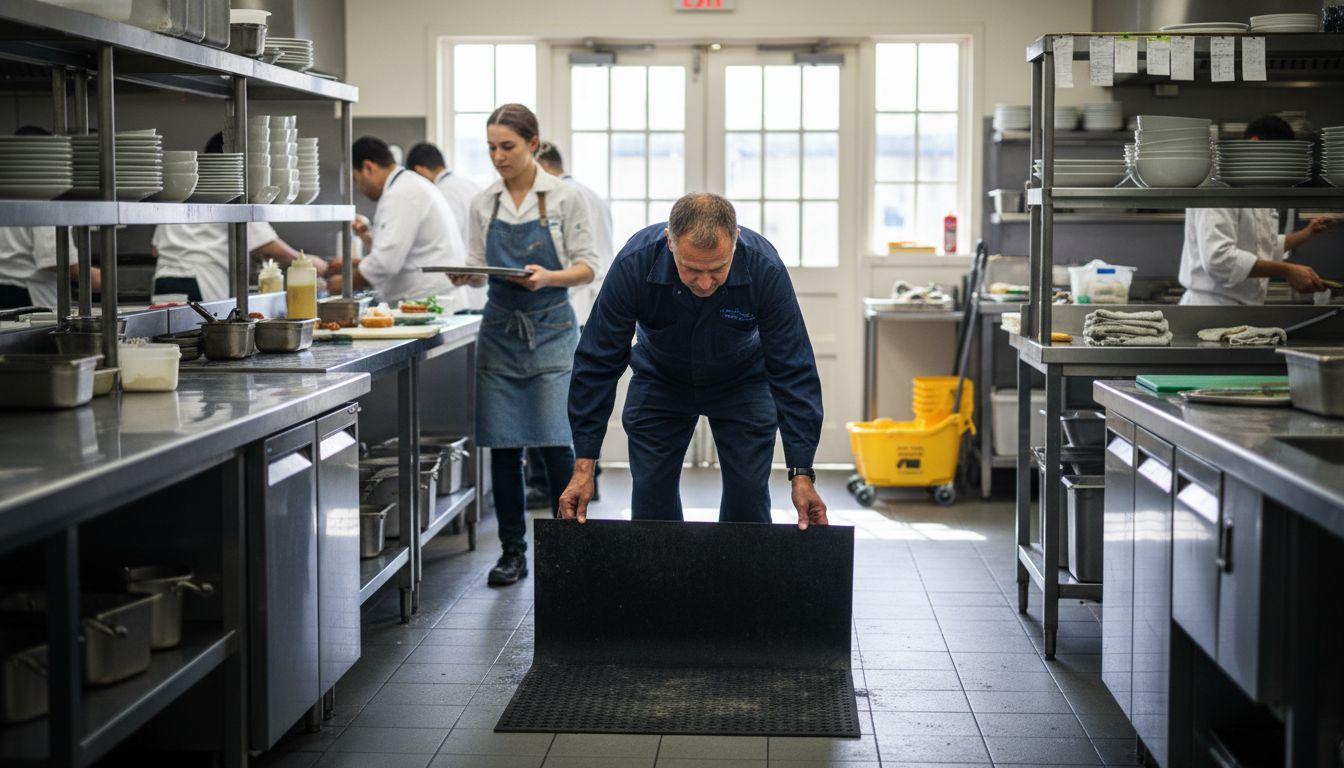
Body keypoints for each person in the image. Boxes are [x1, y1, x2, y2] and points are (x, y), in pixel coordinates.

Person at [558, 192, 829, 531]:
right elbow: (598, 361)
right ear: (669, 242)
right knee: (651, 494)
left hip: (742, 381)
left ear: (735, 242)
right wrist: (584, 467)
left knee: (748, 495)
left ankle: (740, 579)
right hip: (660, 379)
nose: (704, 283)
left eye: (717, 269)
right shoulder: (634, 264)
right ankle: (664, 580)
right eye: (691, 269)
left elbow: (793, 367)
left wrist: (801, 473)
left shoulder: (764, 268)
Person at [446, 104, 598, 587]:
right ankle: (513, 552)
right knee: (504, 446)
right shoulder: (483, 201)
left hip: (552, 328)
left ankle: (568, 547)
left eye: (507, 146)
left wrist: (549, 277)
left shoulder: (565, 196)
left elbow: (589, 265)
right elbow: (476, 259)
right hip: (500, 330)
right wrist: (465, 273)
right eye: (491, 147)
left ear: (533, 144)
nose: (497, 156)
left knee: (557, 443)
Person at [529, 140, 616, 505]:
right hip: (597, 309)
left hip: (569, 309)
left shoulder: (562, 200)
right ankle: (588, 473)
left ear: (542, 165)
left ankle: (554, 483)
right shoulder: (594, 196)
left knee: (554, 403)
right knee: (584, 397)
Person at [1179, 116, 1334, 305]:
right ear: (1255, 145)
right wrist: (1287, 270)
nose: (1281, 168)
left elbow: (1261, 244)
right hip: (1211, 307)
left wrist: (1307, 233)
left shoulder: (1257, 189)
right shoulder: (1219, 189)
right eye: (1279, 159)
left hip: (1246, 308)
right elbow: (1218, 259)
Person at [152, 133, 324, 302]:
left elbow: (156, 249)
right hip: (200, 284)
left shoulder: (185, 188)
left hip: (164, 281)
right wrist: (305, 261)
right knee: (199, 330)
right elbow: (267, 246)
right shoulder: (234, 192)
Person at [330, 136, 462, 304]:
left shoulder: (402, 193)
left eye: (356, 179)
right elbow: (398, 252)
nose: (359, 189)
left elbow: (385, 264)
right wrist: (367, 240)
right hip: (428, 300)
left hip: (427, 303)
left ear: (368, 167)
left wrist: (341, 284)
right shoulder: (406, 185)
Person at [0, 126, 100, 309]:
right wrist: (97, 278)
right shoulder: (44, 193)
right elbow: (54, 259)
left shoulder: (6, 188)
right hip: (27, 296)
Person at [405, 141, 485, 309]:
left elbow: (440, 244)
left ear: (419, 171)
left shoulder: (438, 194)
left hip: (459, 294)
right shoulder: (471, 185)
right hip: (481, 292)